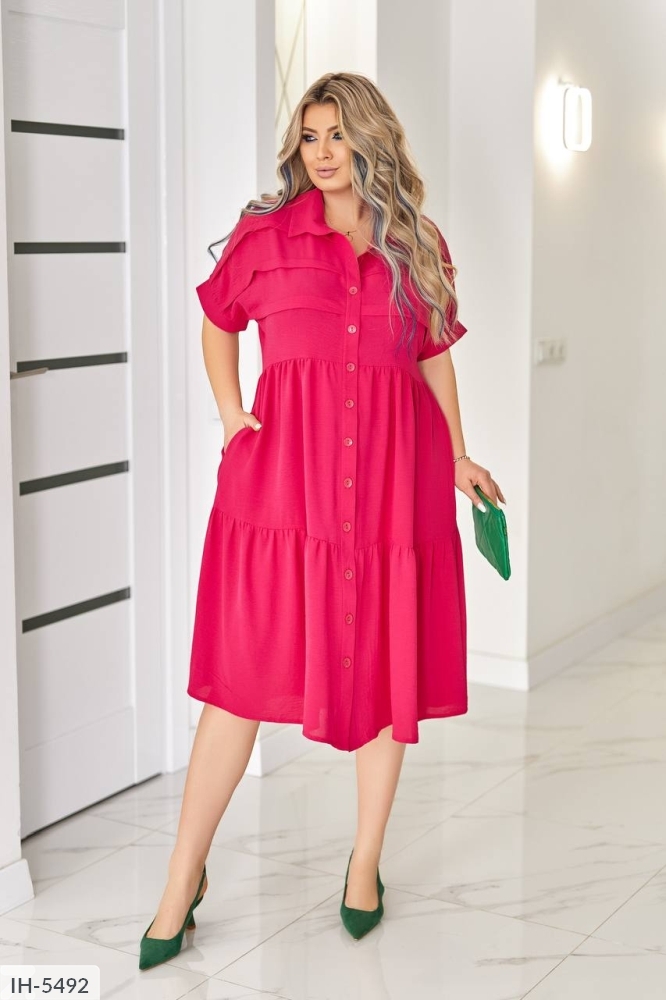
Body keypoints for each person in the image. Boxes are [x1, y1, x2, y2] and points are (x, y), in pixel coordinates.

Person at [139, 71, 505, 969]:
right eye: (311, 136)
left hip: (390, 489)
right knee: (238, 683)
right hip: (279, 496)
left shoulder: (417, 244)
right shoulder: (265, 236)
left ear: (371, 139)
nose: (325, 152)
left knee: (383, 674)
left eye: (339, 134)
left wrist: (458, 454)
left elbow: (433, 357)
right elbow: (218, 320)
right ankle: (182, 880)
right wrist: (232, 412)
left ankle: (365, 864)